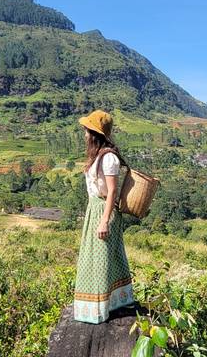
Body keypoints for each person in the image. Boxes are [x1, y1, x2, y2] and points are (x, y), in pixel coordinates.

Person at [73, 110, 135, 324]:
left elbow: (111, 193)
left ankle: (103, 307)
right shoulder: (98, 156)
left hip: (103, 211)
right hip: (95, 209)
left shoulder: (108, 158)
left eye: (86, 130)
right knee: (97, 256)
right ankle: (107, 303)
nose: (84, 134)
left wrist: (104, 221)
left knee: (102, 258)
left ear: (94, 133)